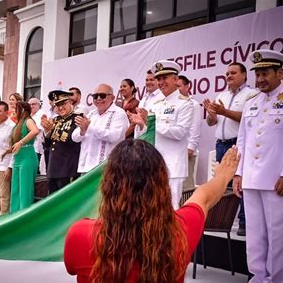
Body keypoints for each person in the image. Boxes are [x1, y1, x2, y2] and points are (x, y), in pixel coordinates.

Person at [64, 140, 240, 283]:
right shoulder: (181, 230)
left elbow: (71, 268)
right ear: (162, 185)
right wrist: (223, 176)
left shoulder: (80, 234)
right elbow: (204, 196)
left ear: (108, 185)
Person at [232, 49, 283, 283]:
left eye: (266, 73)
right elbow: (242, 141)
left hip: (278, 181)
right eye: (258, 73)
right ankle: (256, 280)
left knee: (276, 234)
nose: (261, 78)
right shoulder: (252, 102)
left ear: (280, 73)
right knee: (254, 233)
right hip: (251, 179)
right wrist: (239, 173)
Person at [203, 62, 255, 236]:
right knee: (222, 183)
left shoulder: (252, 95)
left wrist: (224, 112)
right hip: (221, 143)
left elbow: (248, 119)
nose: (229, 76)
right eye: (227, 74)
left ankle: (243, 222)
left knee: (241, 185)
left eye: (233, 73)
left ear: (244, 76)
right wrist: (212, 114)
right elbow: (212, 123)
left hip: (237, 144)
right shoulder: (222, 95)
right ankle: (220, 221)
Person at [135, 61, 193, 209]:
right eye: (159, 79)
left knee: (171, 209)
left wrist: (153, 122)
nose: (161, 82)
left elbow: (180, 132)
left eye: (165, 78)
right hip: (154, 165)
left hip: (173, 166)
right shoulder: (156, 104)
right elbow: (150, 133)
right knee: (152, 208)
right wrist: (142, 124)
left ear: (175, 79)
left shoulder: (184, 104)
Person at [72, 83, 129, 174]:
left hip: (107, 168)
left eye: (102, 96)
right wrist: (82, 131)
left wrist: (89, 128)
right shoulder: (91, 114)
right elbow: (74, 137)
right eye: (95, 96)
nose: (98, 99)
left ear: (112, 98)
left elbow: (114, 137)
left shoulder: (119, 113)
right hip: (86, 168)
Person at [41, 91, 81, 193]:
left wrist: (53, 130)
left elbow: (70, 139)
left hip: (67, 169)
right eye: (57, 105)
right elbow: (47, 145)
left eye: (63, 104)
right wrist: (47, 132)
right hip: (53, 168)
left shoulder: (77, 118)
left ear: (70, 103)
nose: (60, 108)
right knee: (53, 201)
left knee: (68, 201)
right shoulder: (55, 120)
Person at [8, 101, 39, 212]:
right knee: (15, 190)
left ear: (21, 110)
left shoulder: (28, 120)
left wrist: (21, 142)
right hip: (18, 158)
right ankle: (14, 216)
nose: (12, 112)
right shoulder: (17, 124)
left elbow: (35, 131)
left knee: (25, 191)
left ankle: (23, 218)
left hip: (27, 157)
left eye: (15, 109)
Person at [177, 75, 202, 190]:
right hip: (173, 153)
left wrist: (190, 149)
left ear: (187, 86)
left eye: (179, 86)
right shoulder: (172, 104)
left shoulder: (194, 104)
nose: (177, 89)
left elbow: (195, 129)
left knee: (185, 189)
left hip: (186, 153)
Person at [28, 97, 46, 168]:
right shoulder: (28, 115)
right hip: (29, 147)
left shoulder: (41, 114)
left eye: (34, 104)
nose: (31, 106)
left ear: (39, 105)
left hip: (37, 147)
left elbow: (37, 130)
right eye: (29, 104)